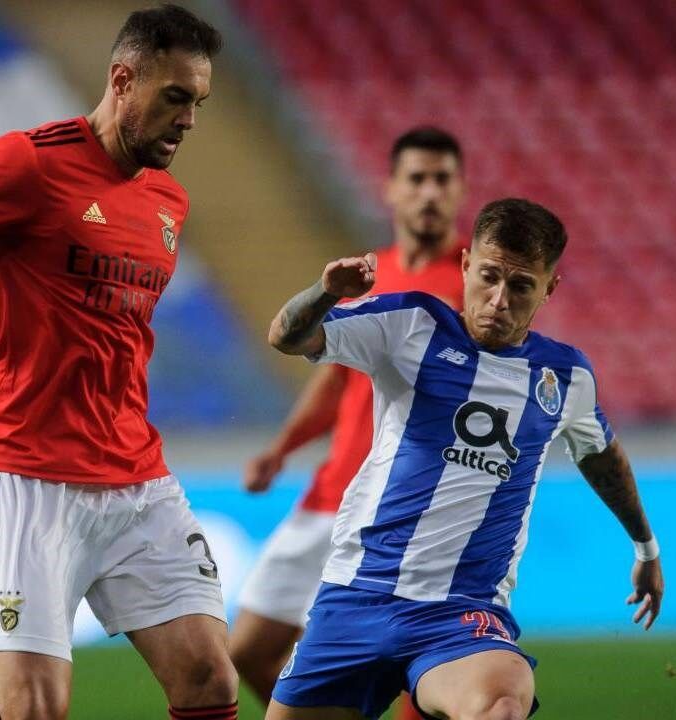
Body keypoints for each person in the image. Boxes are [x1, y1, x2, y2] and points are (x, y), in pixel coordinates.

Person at [0, 6, 237, 720]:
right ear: (122, 80)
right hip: (28, 480)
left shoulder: (169, 200)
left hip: (135, 477)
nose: (189, 120)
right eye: (175, 97)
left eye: (198, 102)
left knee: (210, 680)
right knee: (34, 709)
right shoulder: (30, 162)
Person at [264, 198, 664, 720]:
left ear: (549, 289)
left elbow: (602, 458)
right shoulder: (410, 323)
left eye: (521, 286)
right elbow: (287, 337)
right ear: (466, 265)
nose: (499, 300)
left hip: (460, 615)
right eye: (489, 277)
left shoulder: (566, 377)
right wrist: (325, 293)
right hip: (356, 594)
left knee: (500, 704)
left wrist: (646, 547)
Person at [231, 127, 466, 720]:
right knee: (249, 650)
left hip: (408, 508)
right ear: (390, 189)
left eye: (442, 179)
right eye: (417, 179)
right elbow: (336, 378)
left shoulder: (474, 284)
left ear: (461, 190)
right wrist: (283, 449)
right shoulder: (368, 274)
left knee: (418, 672)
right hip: (334, 490)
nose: (430, 192)